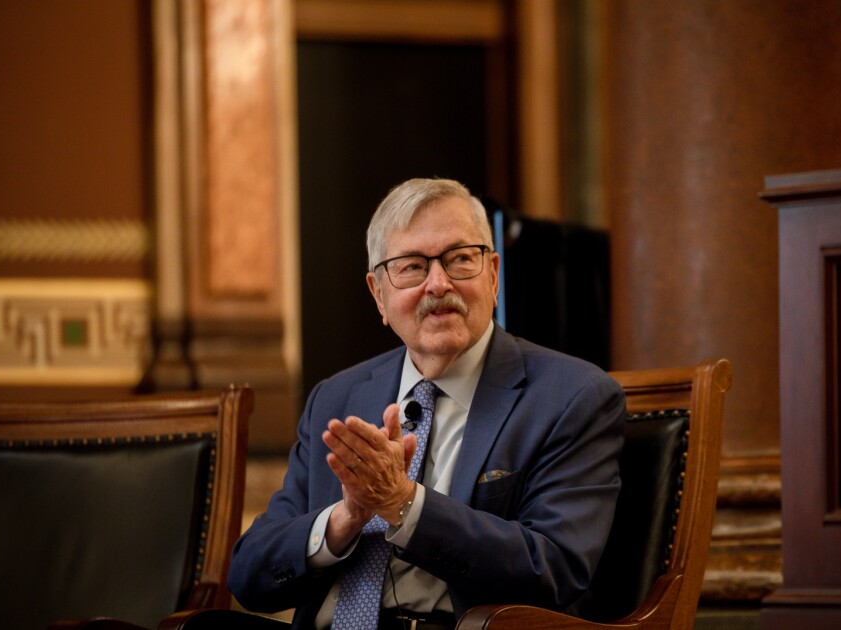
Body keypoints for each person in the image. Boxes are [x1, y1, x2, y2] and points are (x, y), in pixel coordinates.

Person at [228, 178, 626, 630]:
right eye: (413, 266)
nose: (438, 284)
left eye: (459, 259)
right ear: (379, 294)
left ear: (493, 275)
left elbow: (553, 569)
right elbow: (250, 574)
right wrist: (343, 520)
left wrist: (404, 504)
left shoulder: (572, 397)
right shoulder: (336, 399)